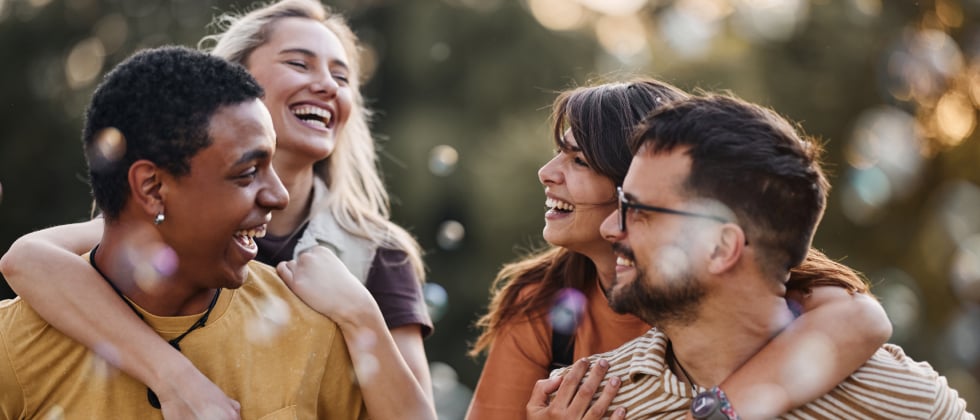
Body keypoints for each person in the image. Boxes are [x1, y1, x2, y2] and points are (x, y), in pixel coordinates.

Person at [0, 1, 434, 419]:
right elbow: (27, 259)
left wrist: (360, 313)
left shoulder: (364, 261)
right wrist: (174, 378)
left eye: (342, 76)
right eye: (299, 64)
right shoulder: (144, 230)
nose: (326, 84)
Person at [467, 79, 893, 419]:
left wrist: (720, 411)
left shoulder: (745, 272)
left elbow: (864, 318)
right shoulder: (540, 304)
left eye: (578, 161)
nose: (546, 173)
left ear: (635, 180)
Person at [529, 93, 973, 419]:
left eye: (638, 211)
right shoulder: (588, 402)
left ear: (722, 247)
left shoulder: (901, 401)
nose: (611, 228)